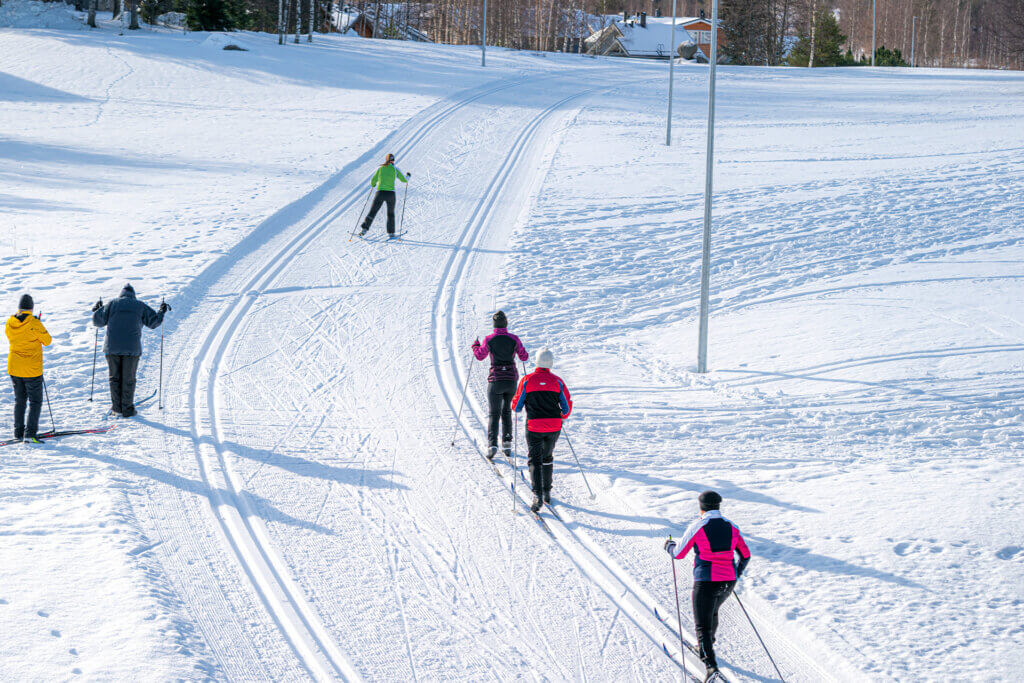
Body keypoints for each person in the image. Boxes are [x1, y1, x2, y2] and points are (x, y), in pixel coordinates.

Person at [664, 491, 751, 680]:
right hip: (728, 581)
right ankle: (706, 645)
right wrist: (736, 573)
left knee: (702, 625)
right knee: (712, 612)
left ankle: (710, 666)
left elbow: (678, 553)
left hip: (706, 581)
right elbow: (745, 555)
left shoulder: (699, 526)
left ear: (700, 507)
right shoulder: (732, 527)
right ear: (718, 506)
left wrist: (669, 546)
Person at [91, 284, 167, 417]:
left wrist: (97, 310)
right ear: (133, 295)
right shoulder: (139, 305)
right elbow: (154, 322)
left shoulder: (111, 304)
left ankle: (117, 408)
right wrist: (161, 311)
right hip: (131, 349)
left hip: (112, 348)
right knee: (128, 379)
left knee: (114, 378)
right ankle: (127, 409)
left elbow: (97, 321)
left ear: (121, 294)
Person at [512, 348, 572, 513]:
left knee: (534, 459)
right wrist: (560, 415)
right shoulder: (558, 382)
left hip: (534, 426)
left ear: (536, 361)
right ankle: (547, 491)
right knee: (547, 457)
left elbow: (516, 407)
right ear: (550, 363)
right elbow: (566, 408)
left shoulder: (527, 380)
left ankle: (537, 495)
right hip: (554, 426)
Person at [472, 310, 529, 460]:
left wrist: (475, 346)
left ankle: (492, 445)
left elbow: (479, 356)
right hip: (511, 381)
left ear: (494, 325)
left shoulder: (489, 339)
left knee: (494, 413)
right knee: (507, 412)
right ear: (506, 323)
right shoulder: (514, 339)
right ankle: (507, 444)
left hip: (496, 380)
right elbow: (524, 356)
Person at [5, 294, 52, 444]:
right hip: (31, 369)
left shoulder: (10, 322)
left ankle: (18, 432)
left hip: (15, 367)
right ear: (31, 308)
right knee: (35, 401)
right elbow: (47, 341)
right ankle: (30, 434)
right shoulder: (34, 322)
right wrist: (38, 325)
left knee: (20, 400)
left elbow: (12, 336)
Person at [359, 153, 409, 238]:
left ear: (386, 160)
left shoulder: (381, 168)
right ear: (393, 160)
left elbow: (373, 181)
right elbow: (404, 180)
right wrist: (408, 176)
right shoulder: (395, 169)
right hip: (391, 194)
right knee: (390, 213)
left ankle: (364, 230)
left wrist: (374, 184)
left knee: (373, 211)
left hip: (380, 193)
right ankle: (391, 233)